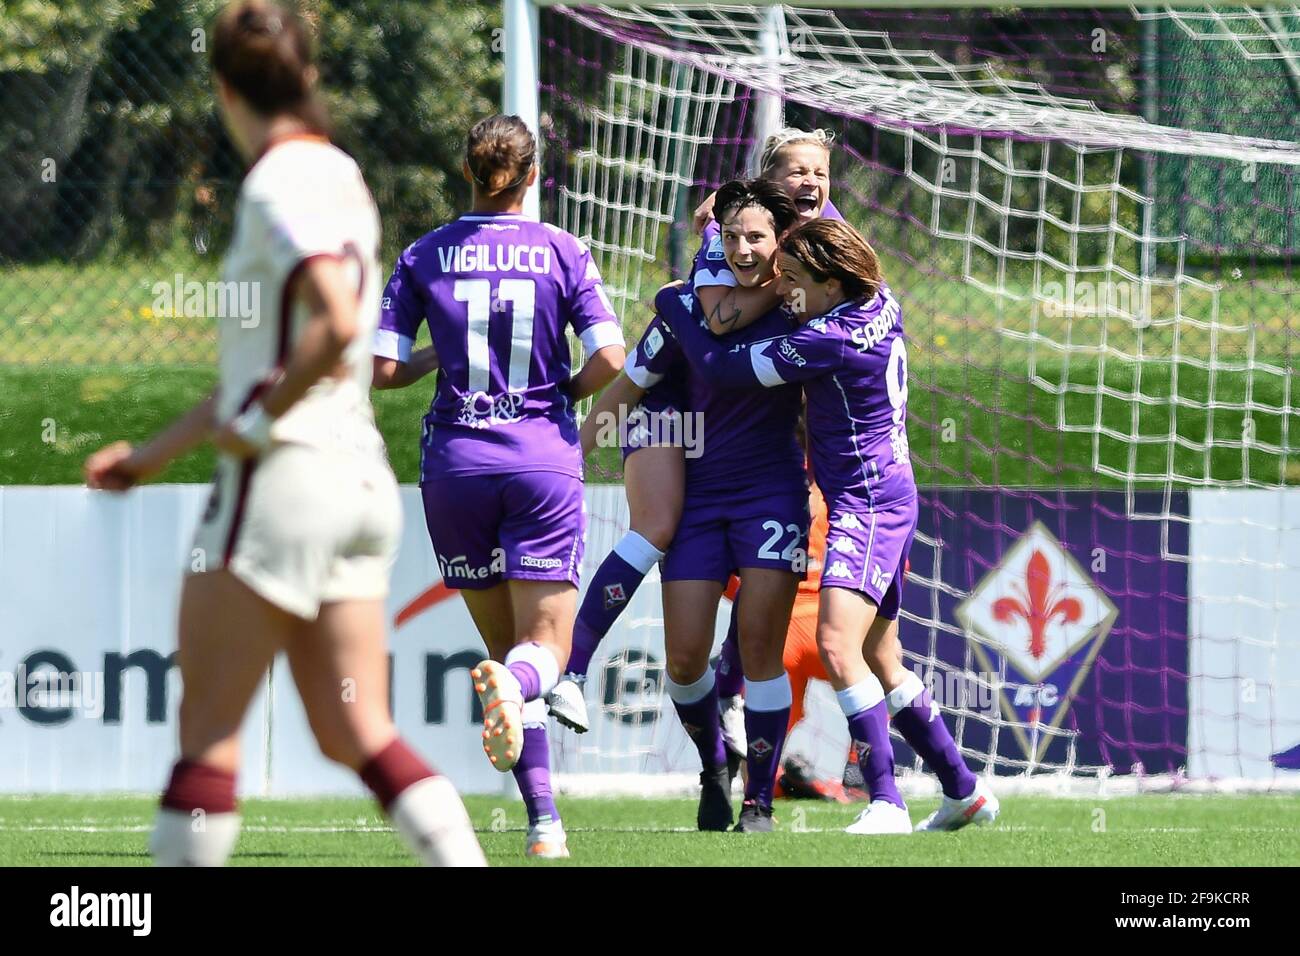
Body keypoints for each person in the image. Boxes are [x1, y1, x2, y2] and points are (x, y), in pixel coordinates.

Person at [84, 0, 484, 867]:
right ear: (307, 76)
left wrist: (261, 422)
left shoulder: (275, 180)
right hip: (358, 483)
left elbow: (335, 323)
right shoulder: (340, 171)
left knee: (207, 732)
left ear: (224, 87)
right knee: (354, 731)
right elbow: (266, 371)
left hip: (285, 479)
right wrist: (148, 458)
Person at [662, 218, 1000, 834]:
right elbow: (832, 246)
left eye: (791, 280)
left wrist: (674, 304)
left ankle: (887, 802)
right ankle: (962, 788)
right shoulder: (882, 300)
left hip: (865, 504)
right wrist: (805, 200)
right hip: (892, 491)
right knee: (880, 656)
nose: (781, 290)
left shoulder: (826, 339)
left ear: (829, 280)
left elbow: (721, 365)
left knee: (839, 647)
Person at [372, 114, 625, 858]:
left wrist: (434, 362)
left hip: (456, 468)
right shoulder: (562, 250)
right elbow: (611, 358)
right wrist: (558, 395)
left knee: (510, 657)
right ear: (534, 174)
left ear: (467, 171)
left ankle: (546, 824)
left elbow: (383, 370)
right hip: (541, 458)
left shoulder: (424, 254)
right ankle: (538, 792)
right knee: (539, 654)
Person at [551, 128, 842, 755]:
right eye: (794, 172)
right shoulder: (713, 257)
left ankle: (748, 715)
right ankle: (573, 670)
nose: (809, 183)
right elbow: (661, 354)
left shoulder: (820, 247)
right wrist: (571, 460)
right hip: (672, 414)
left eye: (818, 172)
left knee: (770, 611)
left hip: (759, 464)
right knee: (657, 533)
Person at [599, 180, 809, 832]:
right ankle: (714, 763)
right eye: (732, 236)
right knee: (686, 662)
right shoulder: (690, 308)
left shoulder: (806, 307)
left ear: (781, 245)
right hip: (700, 497)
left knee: (760, 647)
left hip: (773, 493)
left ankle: (761, 801)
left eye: (756, 238)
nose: (743, 248)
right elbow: (632, 387)